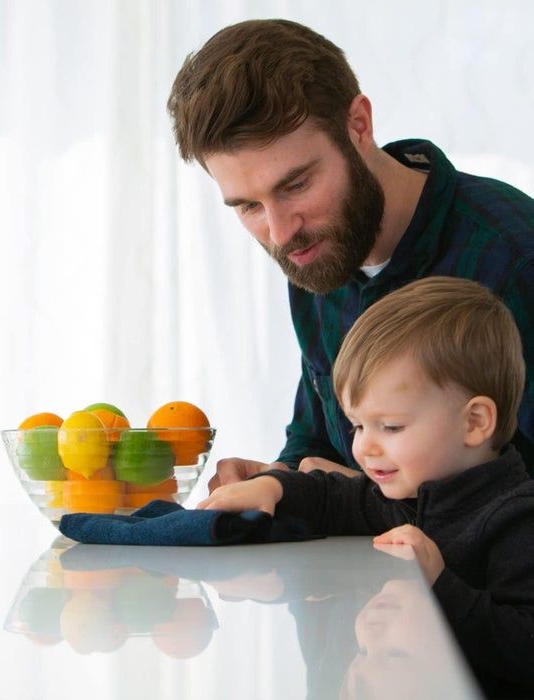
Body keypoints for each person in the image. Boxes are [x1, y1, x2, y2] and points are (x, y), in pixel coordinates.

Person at [166, 18, 534, 488]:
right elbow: (319, 443)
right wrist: (282, 479)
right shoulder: (316, 252)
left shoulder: (514, 259)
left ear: (358, 124)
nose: (279, 232)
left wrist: (368, 503)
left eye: (296, 184)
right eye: (249, 206)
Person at [198, 276, 534, 697]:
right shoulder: (410, 494)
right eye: (358, 425)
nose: (364, 447)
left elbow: (525, 649)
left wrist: (438, 587)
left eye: (390, 426)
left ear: (475, 422)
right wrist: (274, 487)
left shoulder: (518, 519)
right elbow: (333, 497)